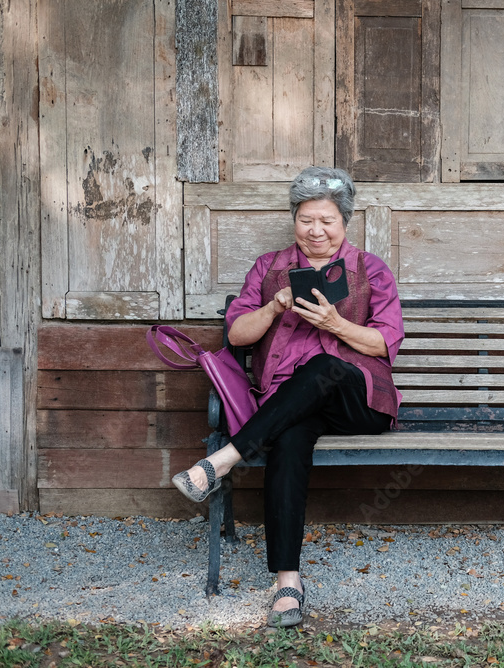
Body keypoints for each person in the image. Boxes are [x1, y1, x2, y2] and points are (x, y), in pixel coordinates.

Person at [171, 166, 404, 627]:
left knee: (326, 366)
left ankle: (220, 463)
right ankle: (287, 583)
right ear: (293, 219)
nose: (316, 231)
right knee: (291, 439)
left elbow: (385, 342)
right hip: (289, 404)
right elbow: (237, 336)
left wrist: (335, 324)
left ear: (344, 222)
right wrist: (273, 305)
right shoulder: (269, 268)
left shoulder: (370, 270)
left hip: (358, 401)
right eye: (306, 220)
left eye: (327, 221)